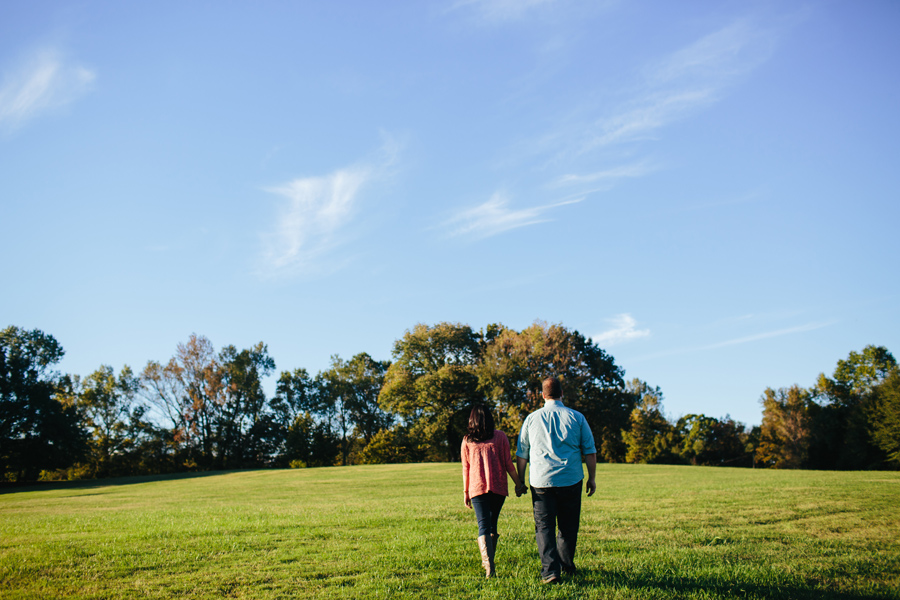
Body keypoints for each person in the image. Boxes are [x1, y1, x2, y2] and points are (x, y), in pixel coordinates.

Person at [515, 376, 597, 584]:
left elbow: (522, 453)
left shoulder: (531, 419)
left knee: (544, 527)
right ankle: (566, 565)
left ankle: (550, 571)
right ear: (562, 394)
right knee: (568, 527)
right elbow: (590, 451)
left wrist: (520, 480)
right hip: (570, 479)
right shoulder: (577, 418)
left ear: (542, 395)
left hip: (541, 481)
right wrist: (592, 478)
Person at [461, 404, 525, 578]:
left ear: (472, 420)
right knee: (492, 525)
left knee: (484, 525)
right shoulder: (500, 436)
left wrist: (466, 492)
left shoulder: (467, 440)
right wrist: (518, 483)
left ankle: (489, 566)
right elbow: (508, 463)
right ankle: (490, 564)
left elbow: (465, 468)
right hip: (498, 487)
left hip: (477, 488)